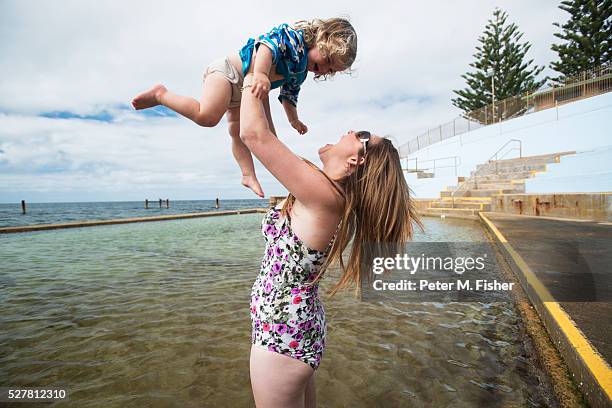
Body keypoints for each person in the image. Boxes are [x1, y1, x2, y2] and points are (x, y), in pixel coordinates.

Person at [240, 73, 423, 407]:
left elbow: (254, 135)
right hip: (293, 330)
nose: (352, 131)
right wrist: (264, 85)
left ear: (356, 160)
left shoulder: (325, 198)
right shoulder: (325, 193)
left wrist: (253, 68)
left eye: (363, 136)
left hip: (282, 338)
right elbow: (269, 137)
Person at [131, 18, 357, 198]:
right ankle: (161, 95)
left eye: (330, 71)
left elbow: (289, 96)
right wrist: (259, 73)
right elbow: (266, 46)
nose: (324, 69)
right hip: (230, 73)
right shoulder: (293, 38)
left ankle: (247, 174)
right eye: (327, 60)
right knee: (207, 116)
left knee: (239, 134)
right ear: (321, 39)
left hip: (245, 93)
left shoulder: (300, 73)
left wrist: (293, 120)